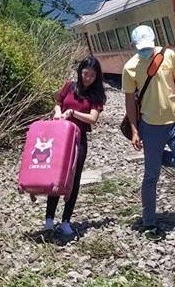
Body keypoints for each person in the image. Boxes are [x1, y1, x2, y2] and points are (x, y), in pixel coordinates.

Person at [122, 25, 175, 241]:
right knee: (151, 177)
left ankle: (157, 157)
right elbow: (129, 101)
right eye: (141, 48)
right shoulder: (130, 67)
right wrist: (135, 130)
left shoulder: (168, 55)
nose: (146, 51)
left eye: (148, 47)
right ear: (133, 46)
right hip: (150, 127)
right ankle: (149, 223)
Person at [45, 56, 106, 237]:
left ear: (97, 77)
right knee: (57, 175)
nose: (87, 78)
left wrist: (73, 113)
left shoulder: (96, 95)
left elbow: (93, 119)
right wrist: (58, 112)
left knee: (74, 178)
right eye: (85, 73)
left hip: (78, 139)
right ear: (80, 71)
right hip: (60, 137)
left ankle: (65, 220)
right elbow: (58, 103)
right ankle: (49, 219)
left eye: (92, 75)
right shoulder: (69, 86)